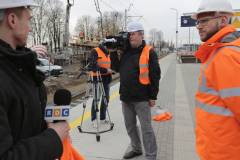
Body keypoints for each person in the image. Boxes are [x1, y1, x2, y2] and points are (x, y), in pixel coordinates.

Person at [0, 1, 70, 159]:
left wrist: (48, 127)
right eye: (29, 20)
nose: (31, 28)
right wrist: (54, 138)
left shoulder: (17, 66)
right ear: (12, 20)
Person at [192, 0, 240, 159]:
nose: (198, 26)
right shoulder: (219, 52)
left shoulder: (226, 56)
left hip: (224, 153)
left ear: (224, 20)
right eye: (198, 21)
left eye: (204, 21)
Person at [112, 21, 161, 160]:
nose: (130, 37)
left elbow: (155, 75)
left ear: (141, 35)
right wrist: (113, 52)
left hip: (142, 99)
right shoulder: (126, 51)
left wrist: (153, 96)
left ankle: (151, 156)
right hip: (126, 97)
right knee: (130, 126)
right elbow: (116, 68)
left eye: (133, 34)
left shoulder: (149, 52)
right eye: (129, 34)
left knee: (146, 129)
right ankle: (136, 148)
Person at [89, 42, 113, 127]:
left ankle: (103, 118)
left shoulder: (108, 52)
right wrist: (106, 70)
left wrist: (111, 70)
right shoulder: (95, 51)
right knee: (96, 99)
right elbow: (93, 66)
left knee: (106, 99)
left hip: (107, 79)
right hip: (97, 78)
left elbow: (108, 64)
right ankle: (94, 119)